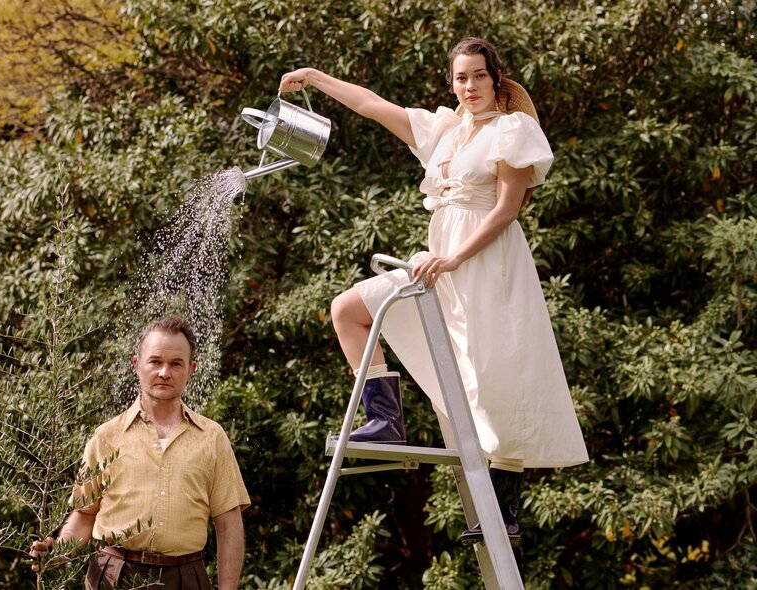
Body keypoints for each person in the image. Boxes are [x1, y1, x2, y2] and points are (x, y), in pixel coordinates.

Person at [279, 37, 588, 545]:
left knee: (493, 374)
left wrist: (455, 258)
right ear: (452, 82)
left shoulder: (511, 130)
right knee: (348, 310)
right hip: (438, 264)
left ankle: (504, 509)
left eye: (479, 76)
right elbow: (374, 106)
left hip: (486, 263)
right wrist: (314, 77)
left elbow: (507, 209)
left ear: (497, 79)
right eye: (461, 77)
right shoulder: (444, 131)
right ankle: (383, 415)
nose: (470, 86)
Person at [30, 315, 250, 589]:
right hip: (113, 575)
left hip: (185, 578)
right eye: (155, 361)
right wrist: (56, 551)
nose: (164, 372)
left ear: (191, 370)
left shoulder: (212, 438)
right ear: (137, 365)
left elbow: (229, 525)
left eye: (175, 364)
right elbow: (84, 516)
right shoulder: (106, 437)